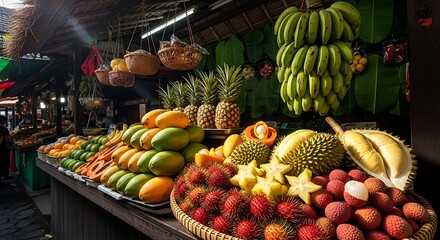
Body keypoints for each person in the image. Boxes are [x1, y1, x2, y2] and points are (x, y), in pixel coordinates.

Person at [0, 115, 12, 182]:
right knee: (4, 161)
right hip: (3, 148)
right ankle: (4, 175)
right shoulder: (4, 129)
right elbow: (7, 140)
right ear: (2, 121)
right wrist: (9, 146)